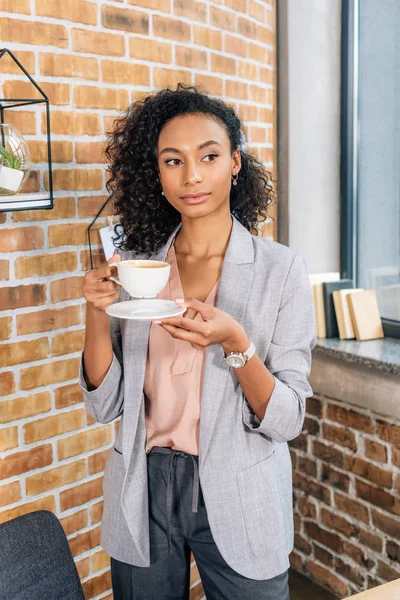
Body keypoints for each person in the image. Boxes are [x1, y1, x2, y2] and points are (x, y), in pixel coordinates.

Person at [80, 84, 317, 600]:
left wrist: (236, 344)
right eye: (173, 161)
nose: (191, 176)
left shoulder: (281, 271)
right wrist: (96, 315)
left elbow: (287, 418)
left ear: (234, 162)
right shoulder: (139, 270)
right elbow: (105, 405)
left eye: (208, 156)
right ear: (157, 174)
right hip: (143, 486)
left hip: (240, 489)